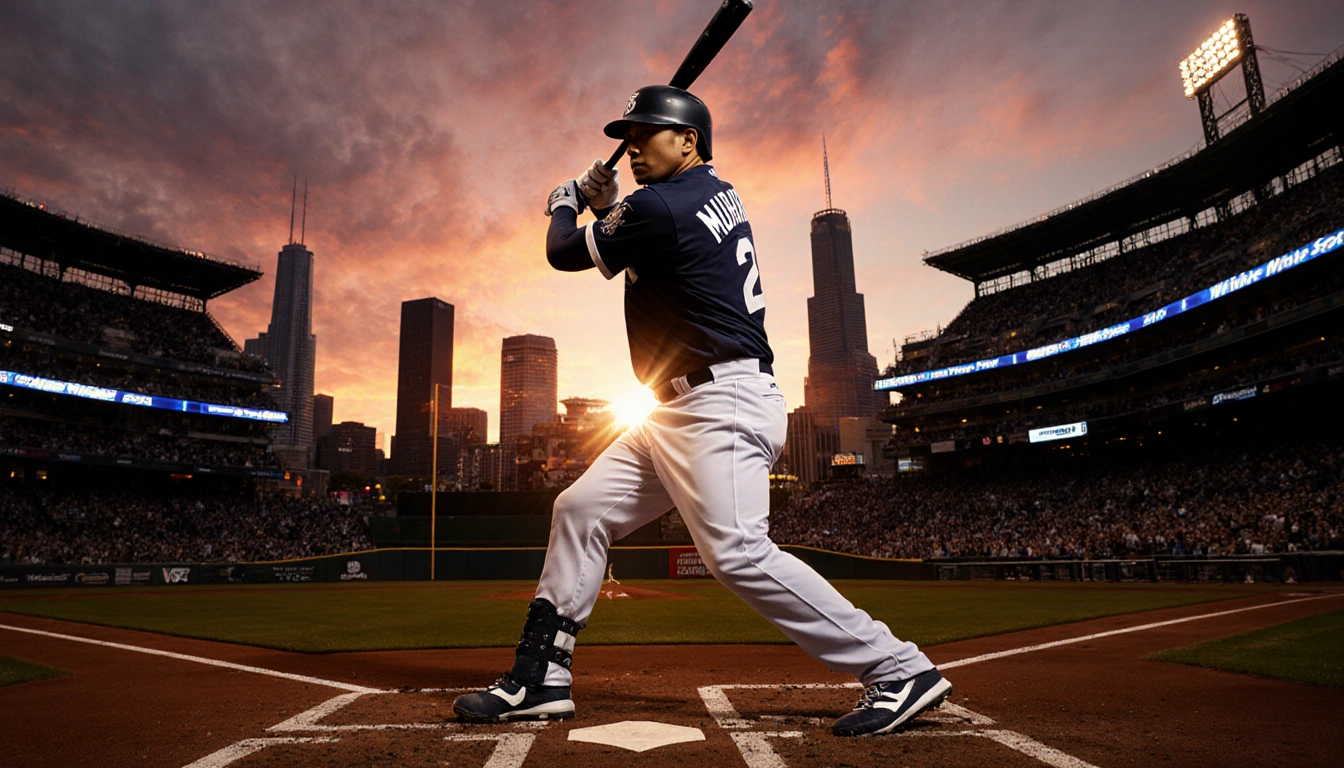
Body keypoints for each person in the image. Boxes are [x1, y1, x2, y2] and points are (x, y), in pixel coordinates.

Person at [453, 86, 950, 737]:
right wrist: (609, 206)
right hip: (671, 411)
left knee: (737, 552)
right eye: (629, 136)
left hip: (721, 401)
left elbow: (564, 251)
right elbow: (637, 240)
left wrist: (567, 201)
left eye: (648, 133)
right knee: (579, 510)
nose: (632, 146)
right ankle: (542, 675)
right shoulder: (704, 193)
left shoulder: (660, 204)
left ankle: (898, 669)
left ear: (689, 140)